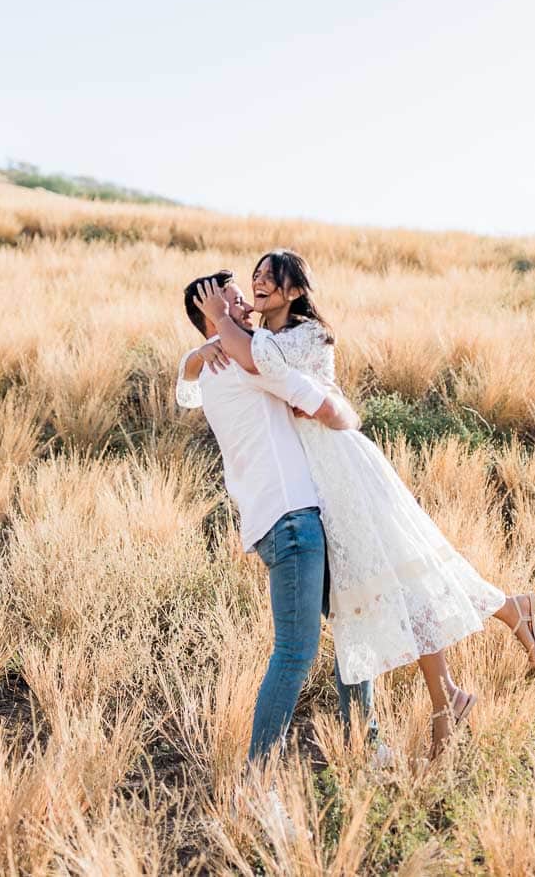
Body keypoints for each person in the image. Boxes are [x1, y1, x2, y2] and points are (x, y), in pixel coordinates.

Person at [190, 250, 535, 759]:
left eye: (271, 278)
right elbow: (229, 363)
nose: (259, 283)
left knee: (401, 566)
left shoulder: (303, 336)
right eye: (256, 276)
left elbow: (282, 376)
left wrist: (221, 324)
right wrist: (204, 348)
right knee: (380, 585)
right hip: (316, 484)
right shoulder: (253, 339)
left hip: (342, 467)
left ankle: (502, 616)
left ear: (293, 292)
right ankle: (447, 694)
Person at [175, 270, 379, 769]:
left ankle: (363, 746)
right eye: (234, 302)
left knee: (353, 622)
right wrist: (348, 419)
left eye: (245, 299)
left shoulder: (216, 368)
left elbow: (186, 387)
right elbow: (328, 409)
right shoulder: (245, 365)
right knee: (293, 655)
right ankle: (257, 784)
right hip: (291, 522)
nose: (246, 307)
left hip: (287, 518)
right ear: (210, 311)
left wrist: (197, 354)